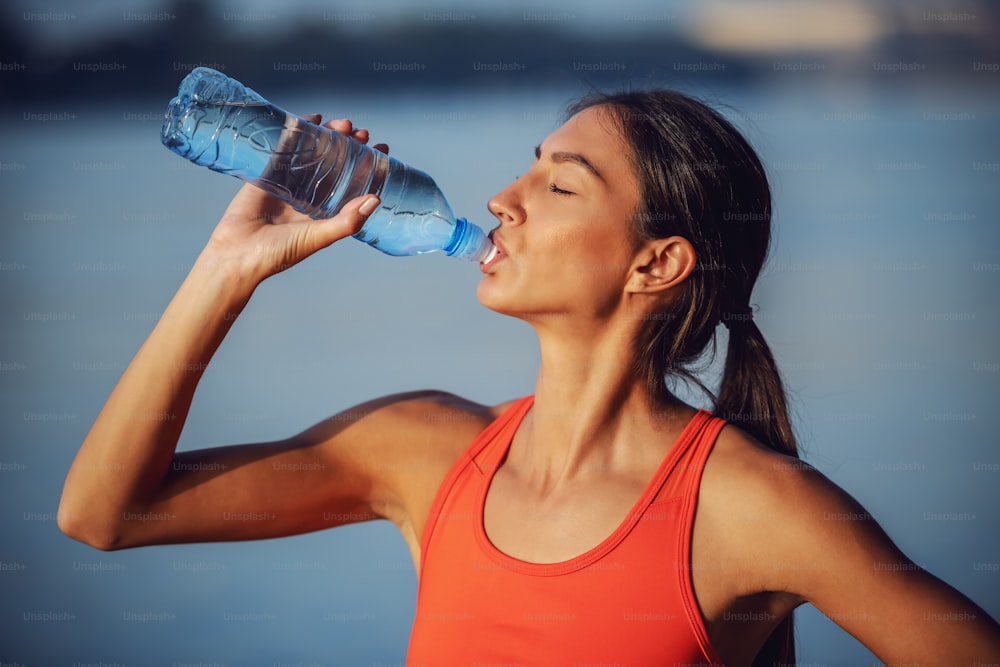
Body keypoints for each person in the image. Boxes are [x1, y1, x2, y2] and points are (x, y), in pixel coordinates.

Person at [59, 90, 1000, 666]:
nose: (502, 200)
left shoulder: (750, 507)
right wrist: (227, 271)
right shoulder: (425, 452)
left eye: (559, 184)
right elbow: (105, 513)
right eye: (529, 166)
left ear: (654, 265)